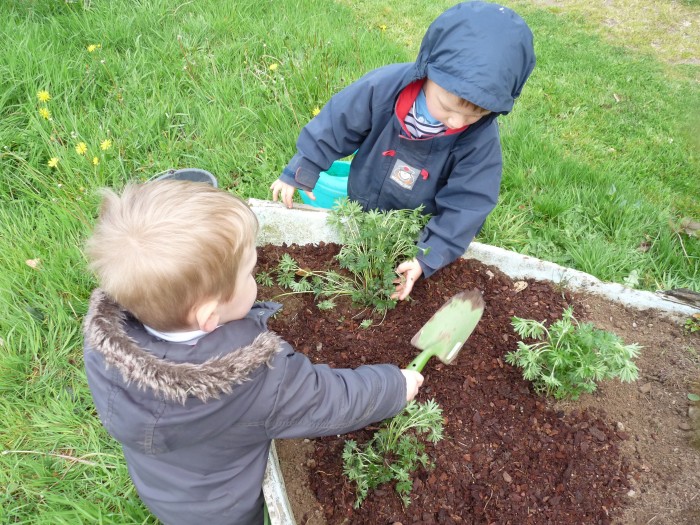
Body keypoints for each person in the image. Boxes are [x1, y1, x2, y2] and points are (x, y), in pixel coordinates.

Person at [82, 179, 424, 525]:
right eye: (248, 274)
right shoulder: (247, 379)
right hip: (225, 510)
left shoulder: (107, 348)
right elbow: (329, 399)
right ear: (209, 317)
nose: (255, 277)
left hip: (164, 489)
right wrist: (394, 386)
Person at [271, 1, 536, 300]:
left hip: (417, 228)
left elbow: (469, 203)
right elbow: (336, 124)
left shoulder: (479, 140)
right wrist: (302, 168)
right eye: (447, 108)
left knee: (403, 260)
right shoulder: (383, 89)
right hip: (365, 201)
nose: (457, 122)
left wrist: (427, 256)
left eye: (476, 114)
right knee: (360, 250)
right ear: (428, 70)